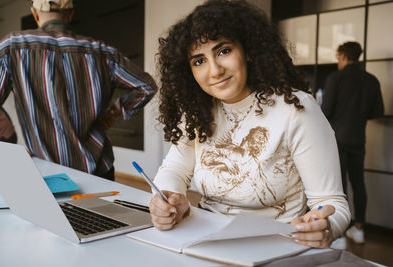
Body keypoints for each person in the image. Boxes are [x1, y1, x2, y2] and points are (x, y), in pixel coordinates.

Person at [149, 0, 350, 249]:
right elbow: (174, 170)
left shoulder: (295, 109)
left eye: (223, 51)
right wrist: (169, 198)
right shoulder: (198, 110)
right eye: (199, 61)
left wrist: (326, 225)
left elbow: (333, 203)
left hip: (275, 247)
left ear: (247, 49)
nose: (215, 71)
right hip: (204, 240)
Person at [0, 0, 156, 180]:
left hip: (47, 174)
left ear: (35, 13)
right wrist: (115, 111)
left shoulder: (11, 48)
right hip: (99, 169)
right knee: (100, 209)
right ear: (70, 14)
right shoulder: (102, 52)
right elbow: (146, 86)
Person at [321, 41, 384, 244]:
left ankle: (340, 230)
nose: (338, 61)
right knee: (359, 183)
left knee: (339, 186)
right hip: (358, 138)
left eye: (338, 58)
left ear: (343, 56)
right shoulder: (371, 80)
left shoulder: (335, 78)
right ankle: (359, 228)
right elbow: (378, 112)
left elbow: (326, 110)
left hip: (337, 139)